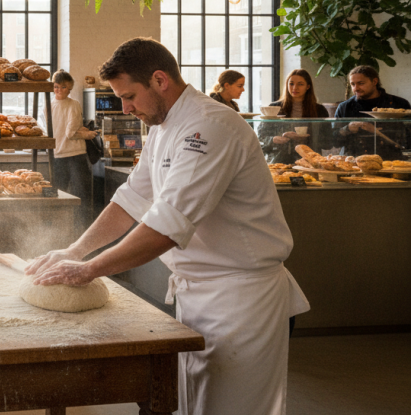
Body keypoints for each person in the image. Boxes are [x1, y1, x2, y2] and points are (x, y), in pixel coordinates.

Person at [25, 37, 308, 415]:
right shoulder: (161, 126)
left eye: (128, 96)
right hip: (197, 294)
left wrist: (90, 269)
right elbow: (131, 200)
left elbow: (167, 225)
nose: (124, 107)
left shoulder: (209, 126)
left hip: (241, 300)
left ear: (160, 80)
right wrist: (74, 251)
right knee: (195, 406)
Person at [333, 65, 411, 160]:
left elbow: (408, 141)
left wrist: (379, 132)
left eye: (361, 83)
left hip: (390, 161)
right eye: (353, 84)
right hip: (354, 162)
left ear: (374, 81)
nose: (356, 88)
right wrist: (347, 129)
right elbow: (333, 141)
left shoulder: (399, 104)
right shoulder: (345, 107)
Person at [50, 71, 98, 217]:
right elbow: (71, 133)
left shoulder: (48, 105)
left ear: (69, 88)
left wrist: (79, 130)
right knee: (82, 197)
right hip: (76, 156)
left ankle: (59, 231)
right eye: (57, 87)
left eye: (63, 87)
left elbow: (51, 131)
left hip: (56, 154)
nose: (59, 90)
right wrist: (88, 134)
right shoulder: (74, 104)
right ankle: (82, 232)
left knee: (57, 196)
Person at [258, 69, 330, 164]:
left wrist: (306, 138)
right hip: (279, 161)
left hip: (310, 161)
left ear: (308, 87)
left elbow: (328, 142)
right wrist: (274, 139)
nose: (294, 88)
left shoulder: (319, 110)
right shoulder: (274, 107)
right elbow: (261, 136)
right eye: (291, 84)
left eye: (300, 84)